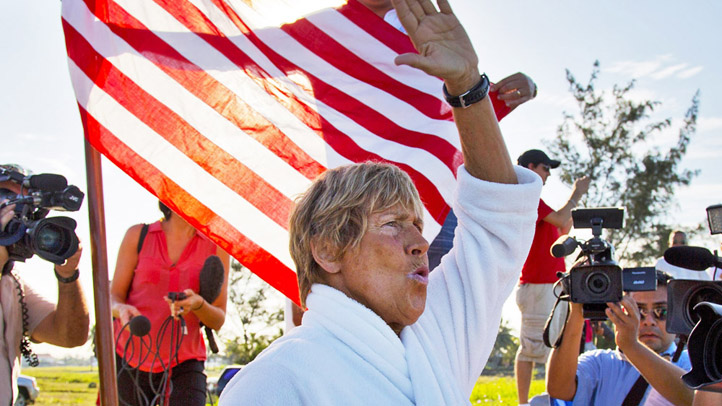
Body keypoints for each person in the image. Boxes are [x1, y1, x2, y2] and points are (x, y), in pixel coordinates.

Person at [218, 0, 543, 403]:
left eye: (418, 225)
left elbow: (499, 222)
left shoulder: (437, 338)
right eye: (392, 223)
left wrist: (468, 89)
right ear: (327, 249)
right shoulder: (272, 383)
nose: (421, 244)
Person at [356, 0, 540, 270]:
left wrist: (523, 87)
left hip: (436, 196)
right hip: (357, 197)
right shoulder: (321, 33)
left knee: (442, 294)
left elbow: (455, 93)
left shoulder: (426, 26)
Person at [110, 201, 230, 405]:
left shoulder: (217, 247)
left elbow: (218, 320)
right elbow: (113, 297)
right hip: (128, 359)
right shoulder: (138, 235)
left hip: (185, 362)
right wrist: (120, 309)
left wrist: (198, 304)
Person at [0, 163, 89, 406]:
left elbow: (69, 335)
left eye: (25, 208)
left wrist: (67, 275)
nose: (15, 215)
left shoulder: (13, 285)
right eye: (6, 201)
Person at [513, 149, 590, 406]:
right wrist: (576, 193)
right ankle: (524, 404)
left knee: (550, 346)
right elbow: (559, 218)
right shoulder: (526, 194)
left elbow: (562, 226)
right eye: (546, 168)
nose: (548, 175)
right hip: (537, 285)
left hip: (547, 286)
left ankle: (550, 401)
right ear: (531, 166)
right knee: (531, 350)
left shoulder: (534, 199)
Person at [547, 271, 694, 406]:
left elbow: (695, 399)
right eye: (639, 311)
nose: (649, 321)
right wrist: (577, 312)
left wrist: (632, 346)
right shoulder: (600, 363)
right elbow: (558, 389)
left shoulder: (693, 364)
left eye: (661, 311)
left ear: (676, 316)